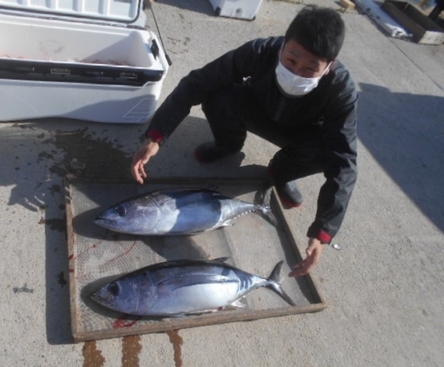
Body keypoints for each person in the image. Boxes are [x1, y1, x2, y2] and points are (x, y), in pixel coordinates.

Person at [130, 6, 358, 278]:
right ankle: (228, 144)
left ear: (330, 66)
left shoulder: (342, 91)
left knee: (326, 152)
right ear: (282, 46)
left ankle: (281, 171)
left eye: (311, 68)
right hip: (258, 110)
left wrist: (323, 233)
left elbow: (344, 164)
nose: (297, 72)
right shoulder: (260, 51)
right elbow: (197, 82)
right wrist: (156, 136)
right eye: (291, 60)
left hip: (301, 131)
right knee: (217, 96)